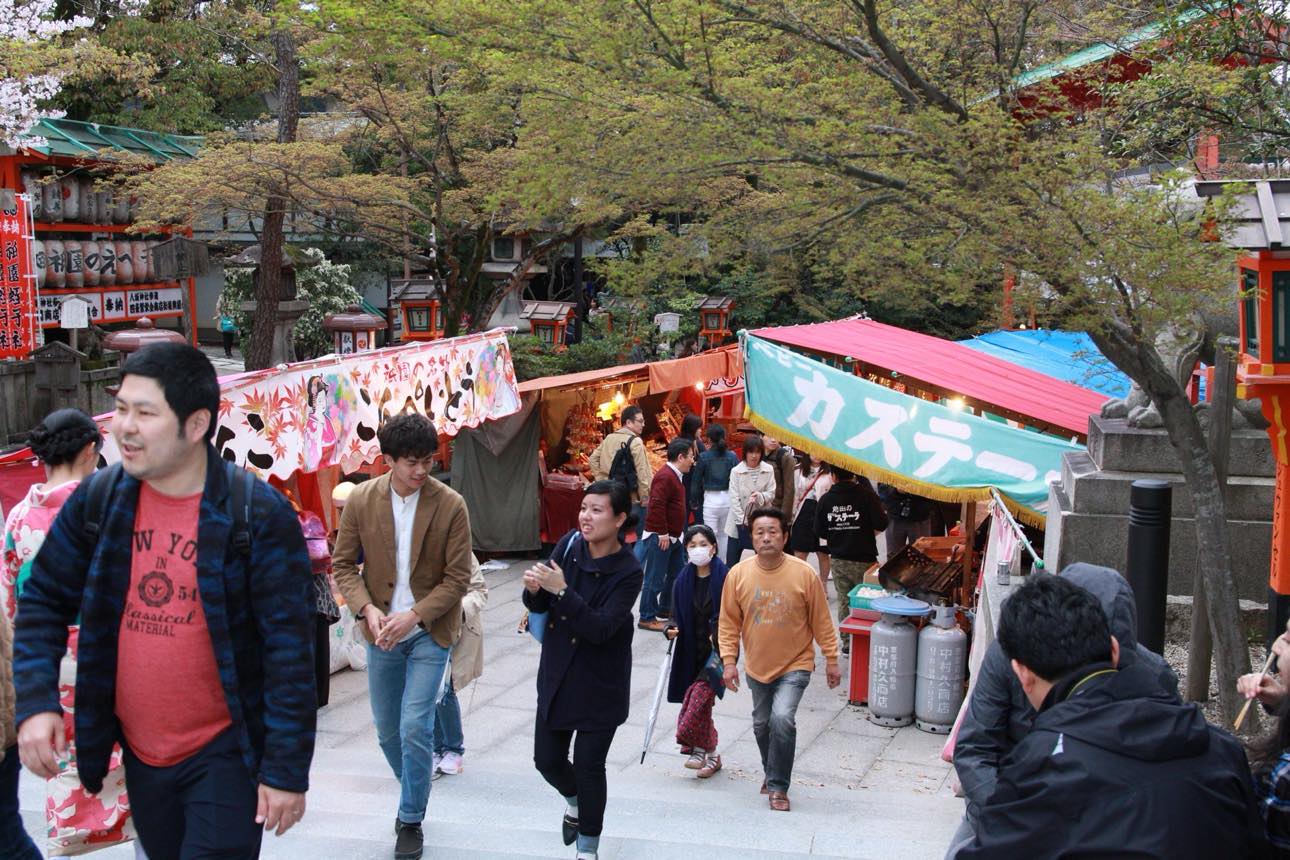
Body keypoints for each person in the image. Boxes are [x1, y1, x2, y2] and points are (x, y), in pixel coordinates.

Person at [14, 342, 316, 860]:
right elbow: (43, 598)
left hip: (223, 750)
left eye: (145, 413)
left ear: (195, 425)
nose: (123, 427)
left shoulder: (256, 514)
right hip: (140, 753)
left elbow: (289, 652)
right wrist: (35, 702)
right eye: (122, 408)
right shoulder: (101, 499)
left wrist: (285, 771)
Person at [957, 573, 1265, 858]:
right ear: (1114, 649)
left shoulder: (1040, 768)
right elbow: (975, 748)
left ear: (1023, 674)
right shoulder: (1224, 750)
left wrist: (1011, 809)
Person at [948, 563, 1180, 857]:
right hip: (1010, 799)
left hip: (1107, 812)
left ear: (1116, 649)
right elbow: (974, 750)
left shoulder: (1153, 676)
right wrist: (1015, 814)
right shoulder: (1012, 655)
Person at [331, 412, 473, 860]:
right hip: (380, 633)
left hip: (429, 630)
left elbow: (457, 579)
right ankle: (413, 786)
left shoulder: (451, 504)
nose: (420, 471)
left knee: (415, 725)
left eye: (427, 461)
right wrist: (367, 608)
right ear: (387, 459)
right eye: (410, 462)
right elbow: (342, 566)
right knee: (388, 732)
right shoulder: (361, 501)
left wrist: (413, 615)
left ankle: (410, 818)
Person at [2, 409, 130, 856]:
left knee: (65, 757)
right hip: (103, 650)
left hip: (46, 657)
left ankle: (71, 829)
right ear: (92, 450)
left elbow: (12, 599)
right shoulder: (102, 508)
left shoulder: (19, 517)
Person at [523, 481, 644, 860]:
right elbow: (538, 602)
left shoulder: (629, 571)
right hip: (558, 673)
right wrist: (534, 589)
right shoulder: (570, 544)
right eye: (584, 508)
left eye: (597, 510)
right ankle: (574, 801)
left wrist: (560, 591)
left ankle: (587, 847)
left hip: (600, 681)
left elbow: (601, 628)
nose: (586, 517)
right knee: (547, 760)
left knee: (590, 766)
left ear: (620, 518)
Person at [718, 507, 841, 812]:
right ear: (751, 537)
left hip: (796, 663)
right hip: (757, 665)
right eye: (760, 532)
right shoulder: (738, 574)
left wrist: (831, 657)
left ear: (785, 536)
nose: (766, 538)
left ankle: (778, 787)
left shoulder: (804, 573)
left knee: (782, 718)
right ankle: (771, 770)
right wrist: (729, 661)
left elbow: (822, 620)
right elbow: (728, 623)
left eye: (773, 531)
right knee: (762, 724)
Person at [664, 524, 728, 779]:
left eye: (703, 544)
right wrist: (670, 628)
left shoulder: (726, 578)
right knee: (701, 705)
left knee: (698, 704)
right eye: (692, 546)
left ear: (713, 547)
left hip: (716, 654)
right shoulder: (682, 580)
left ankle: (701, 750)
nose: (698, 550)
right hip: (689, 653)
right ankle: (709, 755)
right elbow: (673, 617)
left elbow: (736, 614)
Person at [814, 468, 887, 653]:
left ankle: (847, 643)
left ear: (833, 476)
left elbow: (819, 530)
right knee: (867, 599)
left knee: (844, 600)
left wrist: (836, 533)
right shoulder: (866, 495)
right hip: (865, 558)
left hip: (839, 559)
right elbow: (882, 522)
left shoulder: (826, 499)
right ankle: (867, 639)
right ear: (853, 475)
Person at [433, 553, 488, 779]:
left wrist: (457, 612)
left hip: (453, 627)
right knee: (425, 689)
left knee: (445, 688)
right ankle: (434, 748)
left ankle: (453, 749)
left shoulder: (459, 547)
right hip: (419, 627)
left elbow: (479, 590)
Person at [636, 438, 696, 631]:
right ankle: (646, 616)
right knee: (654, 577)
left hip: (674, 537)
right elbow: (656, 504)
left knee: (676, 574)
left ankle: (664, 608)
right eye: (691, 456)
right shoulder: (665, 476)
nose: (693, 461)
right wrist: (662, 532)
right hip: (661, 537)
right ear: (681, 457)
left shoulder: (675, 475)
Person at [587, 406, 652, 535]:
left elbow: (592, 459)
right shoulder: (636, 442)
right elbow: (642, 472)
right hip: (631, 496)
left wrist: (602, 480)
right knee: (642, 536)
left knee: (618, 533)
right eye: (640, 421)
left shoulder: (609, 438)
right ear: (628, 422)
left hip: (612, 494)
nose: (643, 425)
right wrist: (645, 495)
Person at [690, 424, 738, 561]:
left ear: (709, 440)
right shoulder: (732, 456)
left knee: (710, 535)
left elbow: (696, 482)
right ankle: (722, 565)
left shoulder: (704, 457)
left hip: (711, 500)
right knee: (724, 535)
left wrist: (694, 501)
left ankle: (710, 564)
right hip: (728, 500)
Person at [725, 434, 776, 564]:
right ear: (745, 453)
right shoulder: (736, 471)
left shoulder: (768, 469)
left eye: (757, 452)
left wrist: (760, 496)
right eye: (751, 452)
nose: (754, 456)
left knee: (763, 560)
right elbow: (734, 498)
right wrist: (743, 520)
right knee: (732, 563)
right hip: (739, 523)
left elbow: (772, 493)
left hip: (761, 520)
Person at [790, 455, 833, 590]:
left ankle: (823, 585)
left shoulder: (830, 472)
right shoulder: (798, 470)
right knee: (800, 552)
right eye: (813, 450)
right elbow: (794, 494)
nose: (817, 454)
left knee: (823, 552)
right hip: (802, 513)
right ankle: (801, 586)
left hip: (822, 514)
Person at [878, 484, 934, 557]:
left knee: (922, 554)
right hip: (895, 515)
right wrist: (895, 490)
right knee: (893, 557)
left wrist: (915, 490)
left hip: (919, 515)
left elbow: (934, 489)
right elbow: (882, 489)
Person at [762, 435, 796, 520]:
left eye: (776, 435)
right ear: (760, 436)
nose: (773, 440)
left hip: (776, 507)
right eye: (769, 436)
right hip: (759, 506)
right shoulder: (756, 454)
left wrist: (784, 517)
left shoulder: (785, 457)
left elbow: (789, 489)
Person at [214, 292, 238, 359]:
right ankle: (228, 351)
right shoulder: (222, 296)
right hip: (224, 317)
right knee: (226, 334)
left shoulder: (235, 296)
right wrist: (219, 315)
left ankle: (228, 350)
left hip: (231, 317)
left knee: (230, 334)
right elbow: (218, 307)